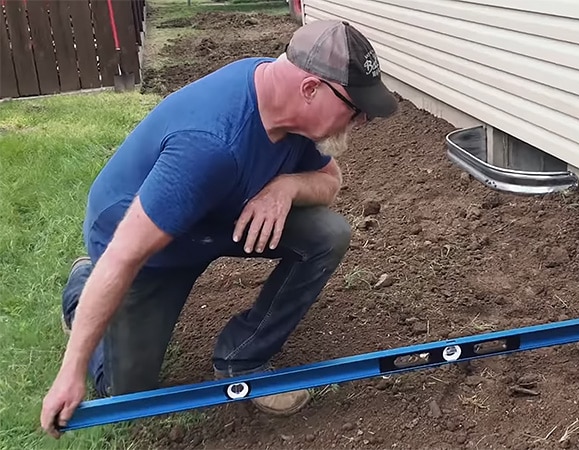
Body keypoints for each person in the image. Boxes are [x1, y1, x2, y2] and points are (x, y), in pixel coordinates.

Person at [40, 19, 398, 438]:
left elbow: (330, 182)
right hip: (146, 242)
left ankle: (241, 357)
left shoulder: (290, 107)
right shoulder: (210, 145)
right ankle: (82, 287)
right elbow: (124, 254)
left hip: (219, 211)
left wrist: (286, 186)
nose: (360, 122)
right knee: (126, 394)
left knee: (327, 234)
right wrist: (71, 371)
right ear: (310, 89)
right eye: (355, 109)